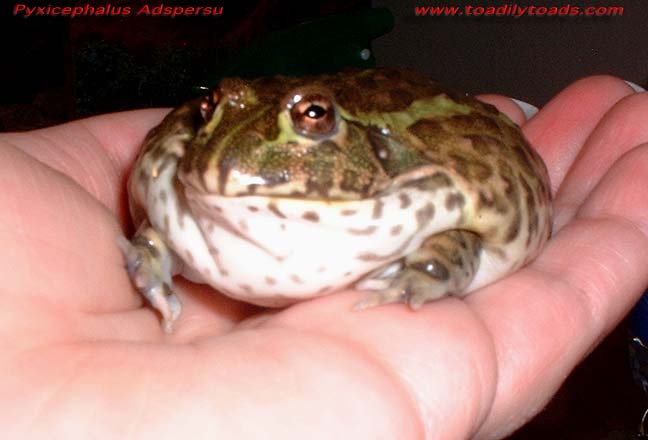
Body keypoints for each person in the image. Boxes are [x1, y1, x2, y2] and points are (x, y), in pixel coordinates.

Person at [0, 75, 646, 439]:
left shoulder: (423, 192)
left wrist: (434, 268)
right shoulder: (177, 189)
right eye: (212, 112)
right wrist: (156, 244)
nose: (232, 150)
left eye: (310, 119)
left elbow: (471, 230)